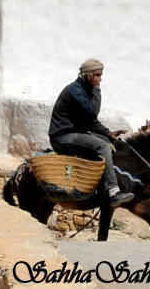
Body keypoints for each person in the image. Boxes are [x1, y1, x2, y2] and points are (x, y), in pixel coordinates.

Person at [48, 58, 133, 206]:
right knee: (103, 146)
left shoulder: (84, 90)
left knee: (109, 142)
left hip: (75, 133)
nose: (100, 79)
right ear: (89, 75)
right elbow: (93, 112)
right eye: (98, 75)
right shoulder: (75, 91)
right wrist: (97, 89)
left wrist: (108, 133)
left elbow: (90, 121)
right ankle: (113, 190)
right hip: (62, 137)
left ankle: (101, 184)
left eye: (100, 76)